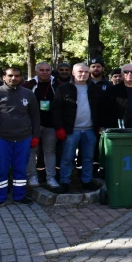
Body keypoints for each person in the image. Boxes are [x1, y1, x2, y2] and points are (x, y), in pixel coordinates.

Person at [0, 67, 40, 208]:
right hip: (1, 138)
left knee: (20, 168)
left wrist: (36, 136)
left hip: (24, 137)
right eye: (10, 75)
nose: (13, 78)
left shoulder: (28, 94)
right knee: (1, 169)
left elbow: (35, 116)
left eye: (17, 76)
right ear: (4, 77)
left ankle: (19, 195)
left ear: (21, 78)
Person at [53, 63, 103, 194]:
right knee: (67, 158)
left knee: (88, 158)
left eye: (86, 72)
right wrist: (59, 128)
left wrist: (99, 125)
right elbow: (56, 110)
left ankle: (86, 181)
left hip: (90, 130)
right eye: (80, 72)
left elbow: (100, 109)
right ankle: (65, 182)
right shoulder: (63, 88)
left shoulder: (95, 88)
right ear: (73, 73)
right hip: (71, 130)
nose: (83, 74)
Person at [22, 62, 60, 188]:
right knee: (31, 151)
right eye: (42, 70)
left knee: (50, 152)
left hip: (50, 125)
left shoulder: (58, 85)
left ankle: (51, 178)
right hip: (33, 126)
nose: (45, 72)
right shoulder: (28, 86)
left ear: (51, 71)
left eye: (47, 70)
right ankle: (32, 177)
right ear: (36, 71)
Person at [105, 64, 132, 128]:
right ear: (122, 74)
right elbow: (105, 111)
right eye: (126, 72)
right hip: (117, 130)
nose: (129, 74)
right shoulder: (112, 91)